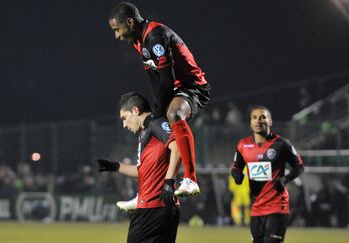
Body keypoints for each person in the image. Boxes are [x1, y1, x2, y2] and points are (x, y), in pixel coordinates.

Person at [108, 2, 211, 197]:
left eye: (117, 29)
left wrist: (160, 110)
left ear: (129, 22)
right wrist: (156, 113)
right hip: (174, 88)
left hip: (192, 87)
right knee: (151, 128)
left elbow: (166, 79)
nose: (117, 35)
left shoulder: (156, 36)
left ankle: (190, 179)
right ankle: (146, 193)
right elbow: (154, 79)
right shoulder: (139, 41)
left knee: (173, 114)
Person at [97, 92, 180, 243]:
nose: (124, 124)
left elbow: (178, 148)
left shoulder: (155, 124)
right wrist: (115, 166)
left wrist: (169, 182)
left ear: (135, 110)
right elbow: (143, 171)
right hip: (160, 208)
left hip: (153, 208)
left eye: (124, 118)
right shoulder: (146, 133)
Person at [230, 105, 304, 243]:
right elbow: (236, 167)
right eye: (254, 117)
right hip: (256, 207)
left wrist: (285, 179)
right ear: (251, 122)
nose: (258, 120)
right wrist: (237, 176)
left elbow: (299, 166)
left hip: (277, 205)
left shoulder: (282, 144)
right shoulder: (243, 145)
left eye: (263, 117)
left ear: (270, 121)